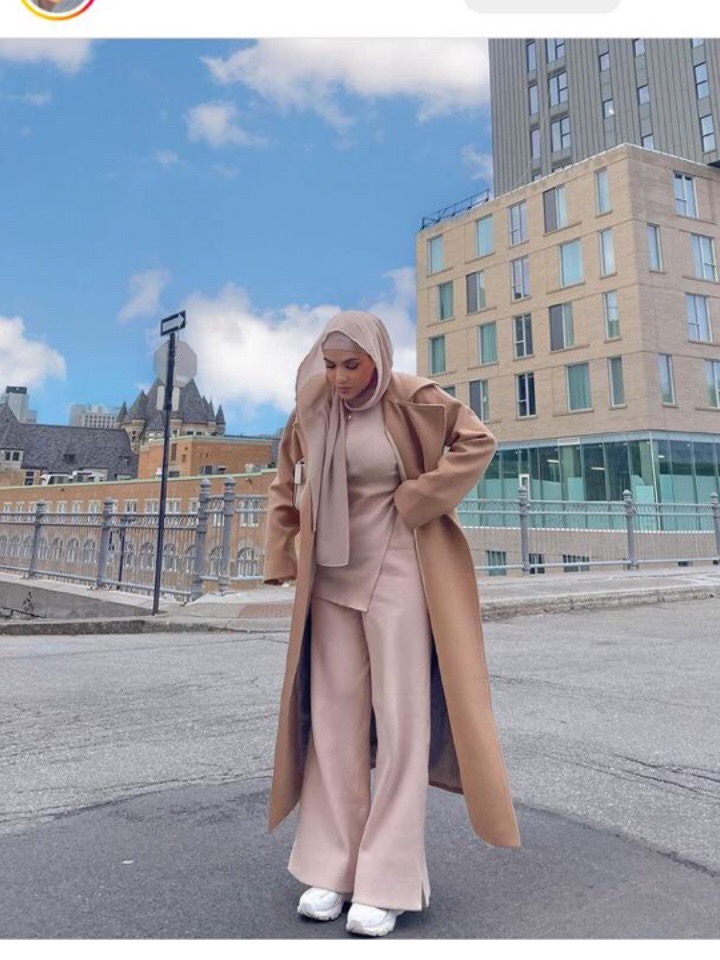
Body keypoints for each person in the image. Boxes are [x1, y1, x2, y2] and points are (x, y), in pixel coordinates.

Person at [263, 310, 521, 937]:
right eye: (330, 365)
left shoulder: (413, 397)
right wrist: (281, 552)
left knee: (403, 723)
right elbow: (284, 479)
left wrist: (419, 498)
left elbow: (477, 441)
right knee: (334, 725)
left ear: (377, 357)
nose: (340, 377)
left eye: (352, 365)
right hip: (330, 580)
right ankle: (333, 868)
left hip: (400, 573)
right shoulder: (313, 408)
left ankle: (387, 881)